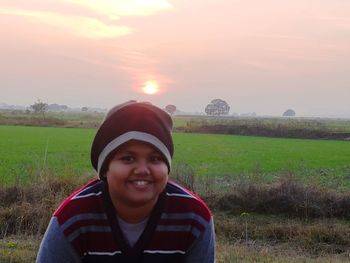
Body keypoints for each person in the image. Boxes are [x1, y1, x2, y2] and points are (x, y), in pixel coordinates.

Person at [36, 101, 215, 263]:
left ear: (167, 167)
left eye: (155, 159)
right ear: (105, 168)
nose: (142, 169)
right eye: (128, 158)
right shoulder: (73, 217)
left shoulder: (194, 217)